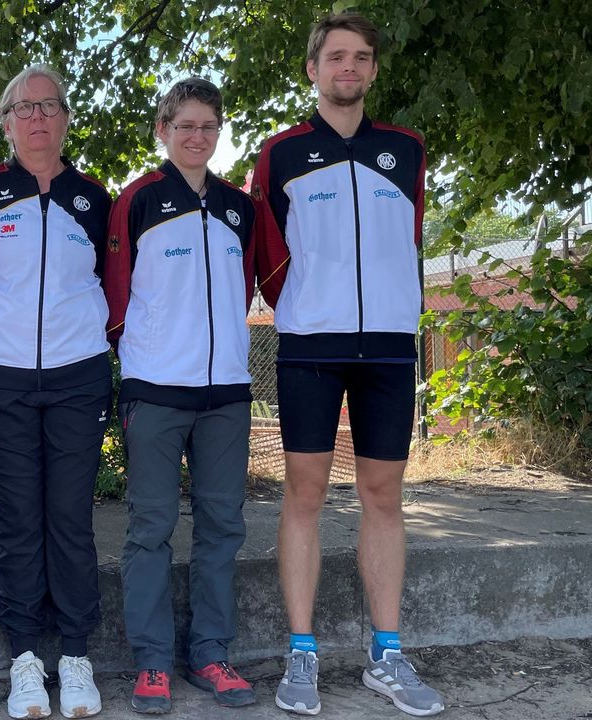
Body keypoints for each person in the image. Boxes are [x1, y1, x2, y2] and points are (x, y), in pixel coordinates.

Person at [250, 12, 443, 717]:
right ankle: (301, 655)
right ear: (313, 68)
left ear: (373, 69)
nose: (349, 69)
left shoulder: (409, 150)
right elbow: (266, 254)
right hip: (311, 347)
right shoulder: (278, 156)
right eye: (336, 57)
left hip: (390, 346)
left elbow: (408, 239)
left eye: (361, 57)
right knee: (302, 497)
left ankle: (386, 653)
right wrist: (308, 302)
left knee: (384, 497)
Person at [0, 64, 112, 720]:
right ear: (6, 121)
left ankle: (75, 656)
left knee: (71, 518)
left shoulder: (95, 197)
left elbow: (116, 281)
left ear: (67, 118)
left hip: (79, 375)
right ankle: (25, 656)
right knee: (19, 520)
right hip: (0, 376)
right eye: (25, 107)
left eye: (50, 105)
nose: (38, 117)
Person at [104, 77, 258, 715]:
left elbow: (244, 287)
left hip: (225, 393)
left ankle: (210, 652)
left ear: (219, 134)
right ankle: (151, 662)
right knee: (151, 528)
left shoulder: (239, 208)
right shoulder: (137, 200)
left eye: (208, 126)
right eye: (185, 125)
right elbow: (114, 293)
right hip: (157, 391)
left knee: (223, 526)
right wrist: (141, 360)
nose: (197, 137)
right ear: (163, 131)